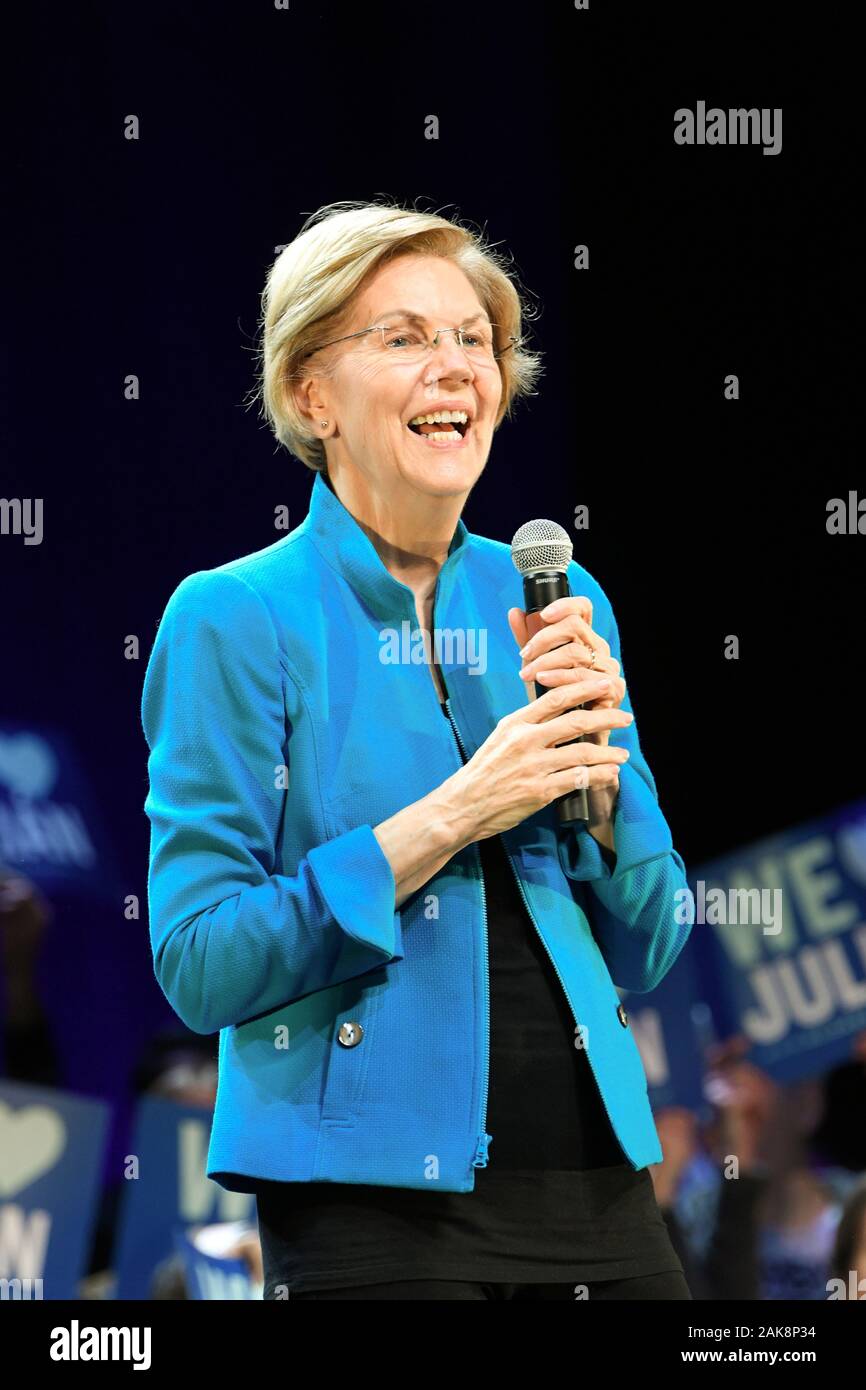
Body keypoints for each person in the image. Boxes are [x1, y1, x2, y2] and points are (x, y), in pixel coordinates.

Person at [141, 199, 695, 1301]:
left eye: (472, 340)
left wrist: (596, 794)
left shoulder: (557, 595)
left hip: (600, 1183)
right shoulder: (235, 615)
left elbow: (653, 943)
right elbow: (200, 962)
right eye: (401, 337)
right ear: (311, 394)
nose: (452, 367)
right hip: (369, 1203)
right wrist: (454, 811)